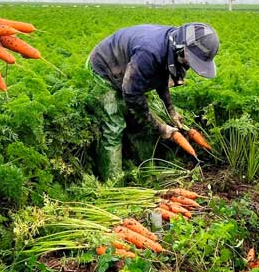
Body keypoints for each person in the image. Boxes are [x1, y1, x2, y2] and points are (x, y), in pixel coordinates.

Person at [88, 23, 219, 180]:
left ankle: (142, 172)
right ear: (182, 48)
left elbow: (160, 78)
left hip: (131, 71)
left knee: (139, 124)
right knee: (114, 126)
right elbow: (131, 94)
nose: (190, 65)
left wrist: (171, 111)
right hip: (105, 67)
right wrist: (161, 128)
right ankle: (113, 182)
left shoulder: (173, 48)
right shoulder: (150, 52)